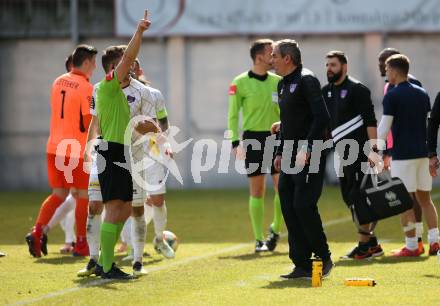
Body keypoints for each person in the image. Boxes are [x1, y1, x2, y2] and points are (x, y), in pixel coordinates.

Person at [25, 45, 97, 258]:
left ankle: (37, 232)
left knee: (59, 194)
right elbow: (87, 121)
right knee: (83, 196)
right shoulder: (86, 87)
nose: (94, 68)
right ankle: (82, 243)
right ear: (85, 63)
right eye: (93, 64)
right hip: (76, 149)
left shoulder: (57, 82)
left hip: (54, 147)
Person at [271, 39, 333, 279]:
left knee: (303, 205)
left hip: (311, 152)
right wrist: (278, 152)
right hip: (288, 153)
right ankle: (302, 264)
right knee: (287, 206)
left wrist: (307, 147)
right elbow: (288, 122)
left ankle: (324, 257)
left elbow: (321, 118)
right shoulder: (282, 85)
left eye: (275, 55)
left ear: (287, 58)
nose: (271, 60)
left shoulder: (307, 80)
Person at [322, 51, 383, 260]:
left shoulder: (357, 89)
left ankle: (364, 246)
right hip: (341, 154)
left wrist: (374, 151)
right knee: (348, 198)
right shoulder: (326, 91)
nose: (329, 69)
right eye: (327, 65)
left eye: (333, 65)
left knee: (360, 198)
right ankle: (372, 243)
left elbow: (370, 121)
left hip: (360, 153)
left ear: (344, 67)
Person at [377, 54, 439, 256]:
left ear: (394, 71)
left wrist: (375, 150)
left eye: (387, 70)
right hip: (422, 154)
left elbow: (384, 128)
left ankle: (412, 245)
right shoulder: (422, 93)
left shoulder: (392, 95)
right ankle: (434, 241)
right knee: (425, 199)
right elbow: (428, 123)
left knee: (404, 202)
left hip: (403, 156)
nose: (386, 74)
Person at [228, 39, 283, 252]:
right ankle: (259, 239)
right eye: (272, 52)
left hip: (277, 138)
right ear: (260, 56)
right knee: (257, 190)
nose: (274, 56)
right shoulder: (239, 82)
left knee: (282, 188)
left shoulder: (279, 81)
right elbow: (232, 115)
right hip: (253, 140)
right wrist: (234, 141)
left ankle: (276, 229)